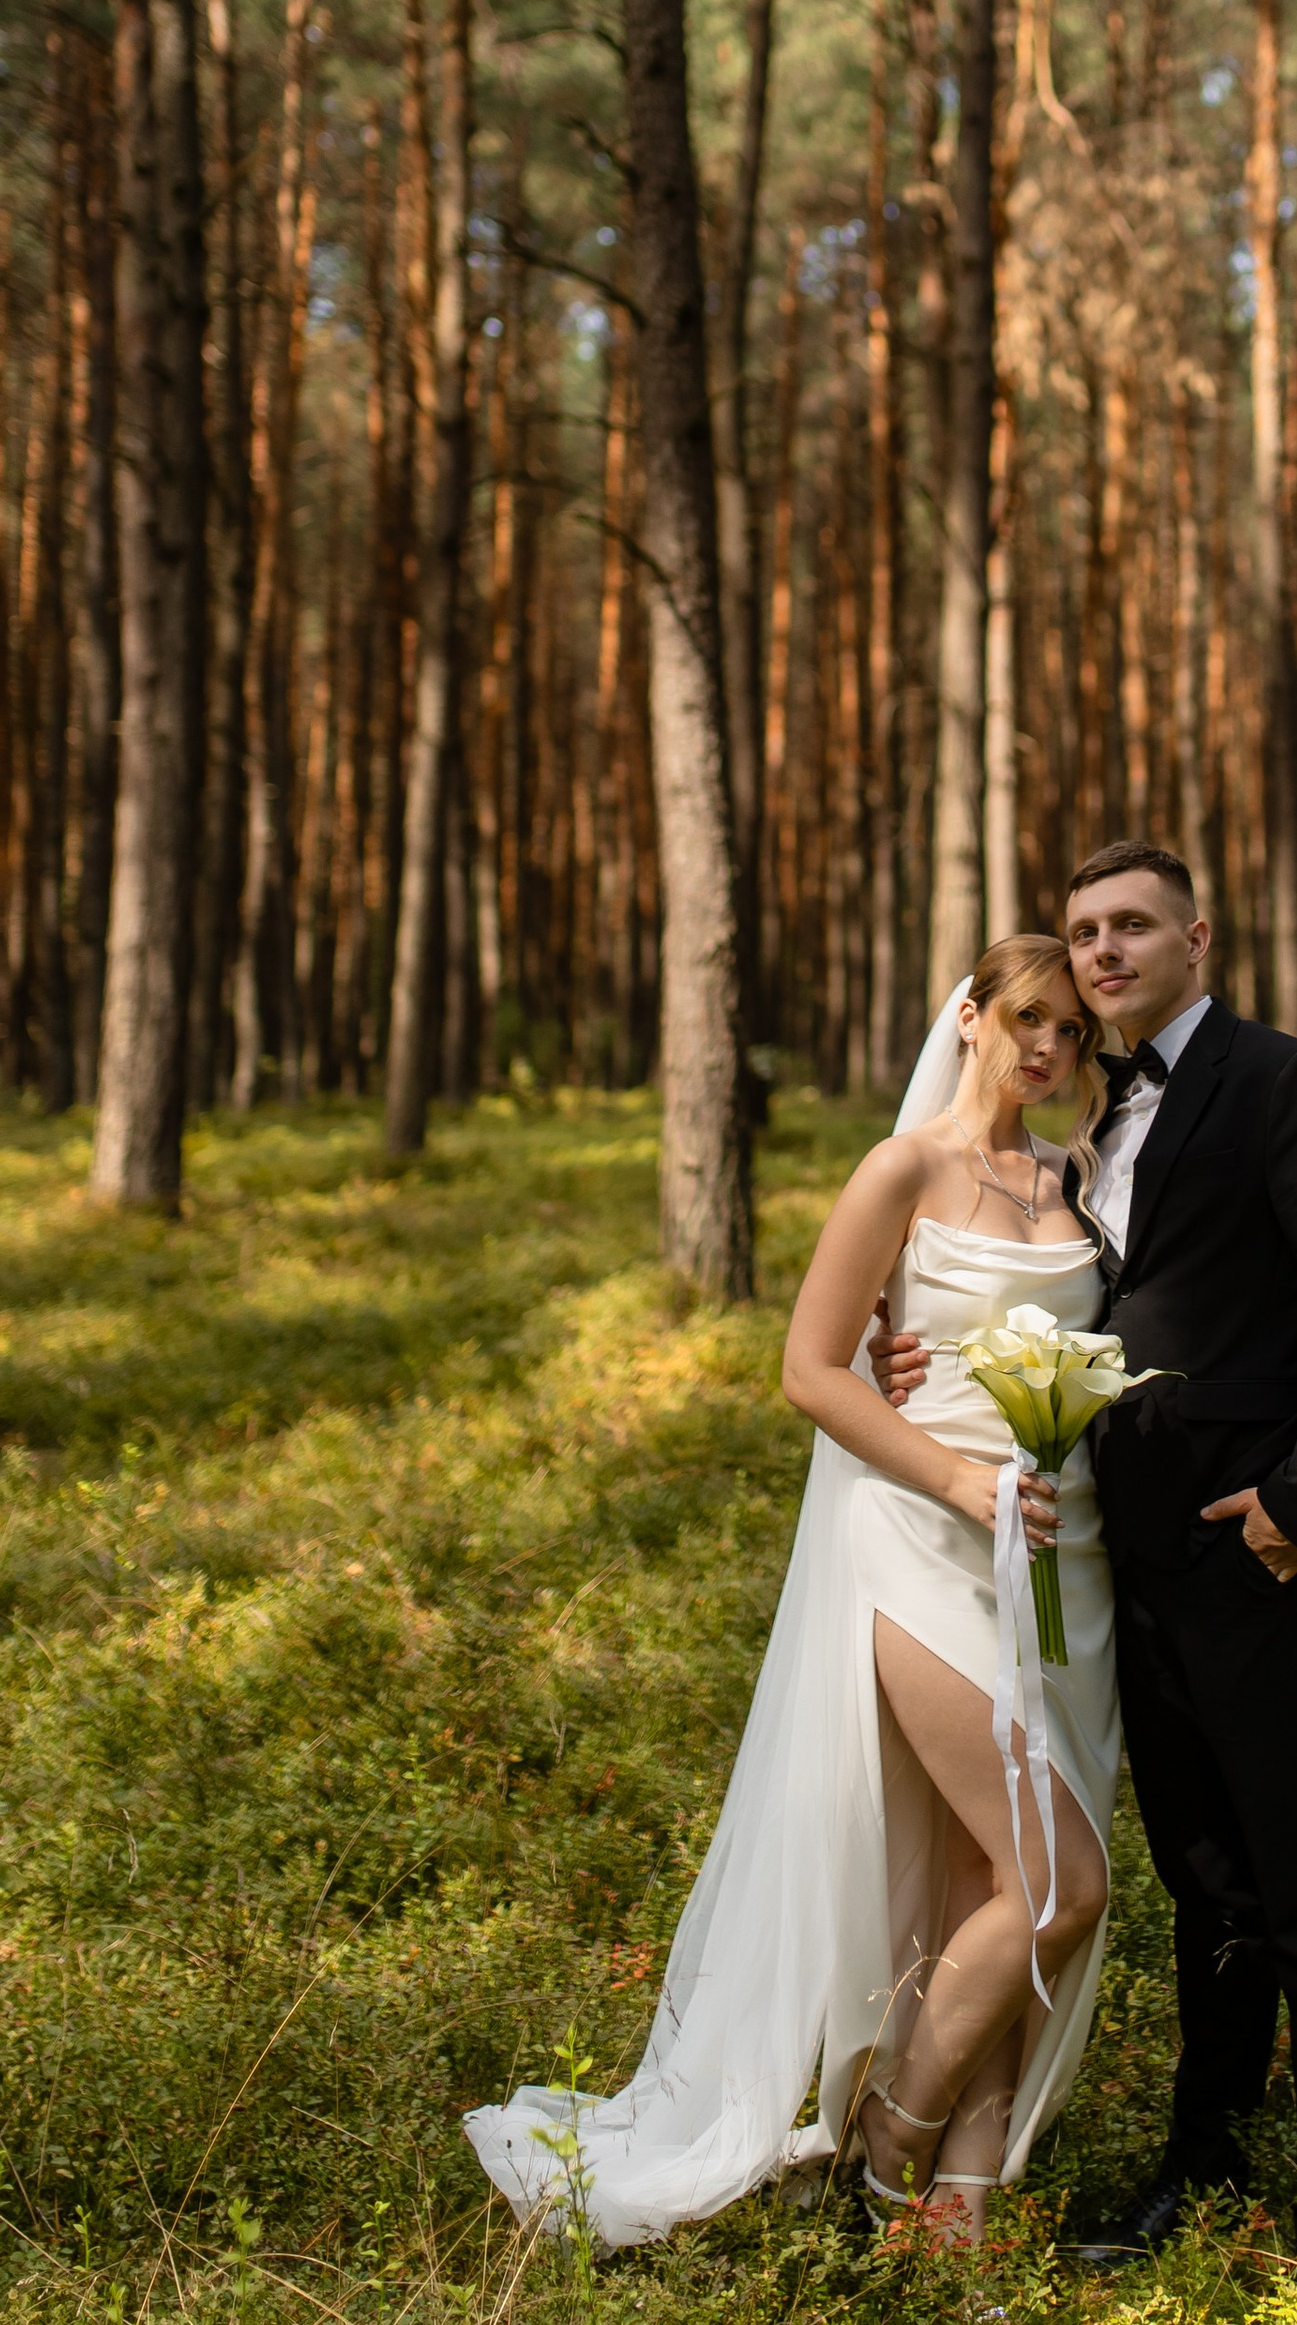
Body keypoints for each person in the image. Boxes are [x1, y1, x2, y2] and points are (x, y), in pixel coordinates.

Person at [463, 936, 1119, 2253]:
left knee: (982, 1885)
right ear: (972, 1014)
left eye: (1075, 1033)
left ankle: (958, 2215)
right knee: (1060, 1882)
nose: (1048, 1048)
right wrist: (958, 1477)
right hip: (925, 1542)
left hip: (1064, 1557)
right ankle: (894, 2133)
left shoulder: (1080, 1180)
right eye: (1028, 1018)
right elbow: (813, 1369)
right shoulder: (902, 1168)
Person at [874, 839, 1297, 2271]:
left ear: (1201, 937)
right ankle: (1203, 2165)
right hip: (1120, 1572)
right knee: (1208, 1884)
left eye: (1131, 926)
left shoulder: (1280, 1083)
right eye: (1082, 932)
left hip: (1252, 1562)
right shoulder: (1094, 1119)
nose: (1104, 952)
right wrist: (913, 1343)